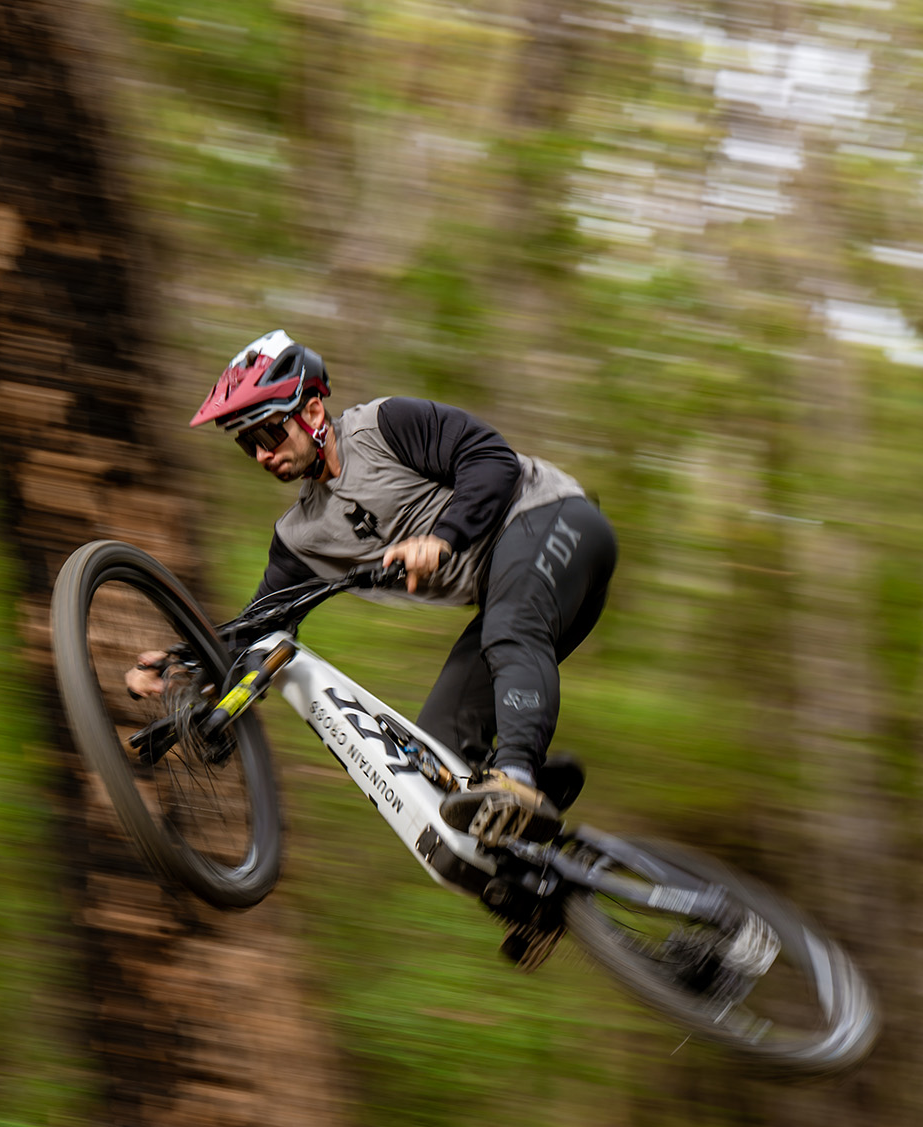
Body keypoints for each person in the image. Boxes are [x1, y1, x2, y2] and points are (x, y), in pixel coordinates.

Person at [126, 329, 617, 847]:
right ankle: (539, 867)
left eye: (269, 435)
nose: (263, 455)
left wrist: (443, 537)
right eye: (249, 445)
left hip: (557, 522)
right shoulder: (301, 537)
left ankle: (518, 775)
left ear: (312, 412)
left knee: (509, 626)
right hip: (517, 601)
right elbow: (260, 625)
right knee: (436, 754)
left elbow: (492, 459)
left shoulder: (384, 427)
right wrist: (184, 663)